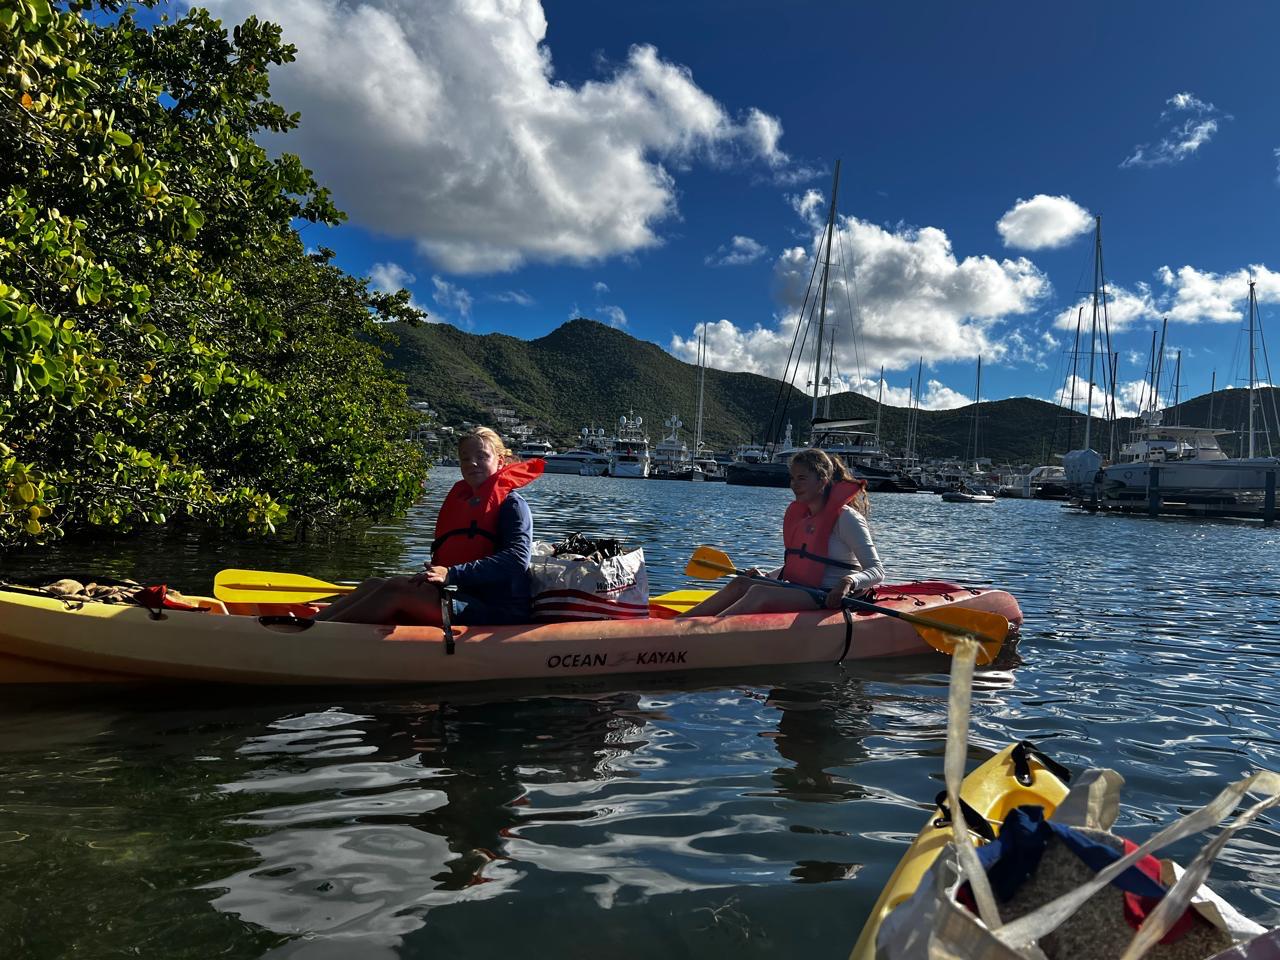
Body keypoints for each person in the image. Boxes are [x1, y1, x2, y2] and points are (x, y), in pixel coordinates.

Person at [313, 427, 540, 625]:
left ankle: (312, 637)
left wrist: (450, 573)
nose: (472, 463)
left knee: (398, 589)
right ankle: (308, 626)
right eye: (465, 458)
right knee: (374, 583)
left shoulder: (512, 505)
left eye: (482, 456)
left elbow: (517, 559)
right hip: (468, 599)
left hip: (500, 611)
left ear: (500, 461)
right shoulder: (470, 503)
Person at [680, 448, 884, 617]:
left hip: (828, 595)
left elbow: (877, 571)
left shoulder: (847, 518)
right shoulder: (804, 516)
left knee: (759, 594)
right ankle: (679, 623)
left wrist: (848, 582)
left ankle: (699, 634)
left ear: (822, 480)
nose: (794, 484)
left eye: (802, 478)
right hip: (802, 589)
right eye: (793, 478)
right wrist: (768, 576)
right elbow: (801, 563)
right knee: (743, 582)